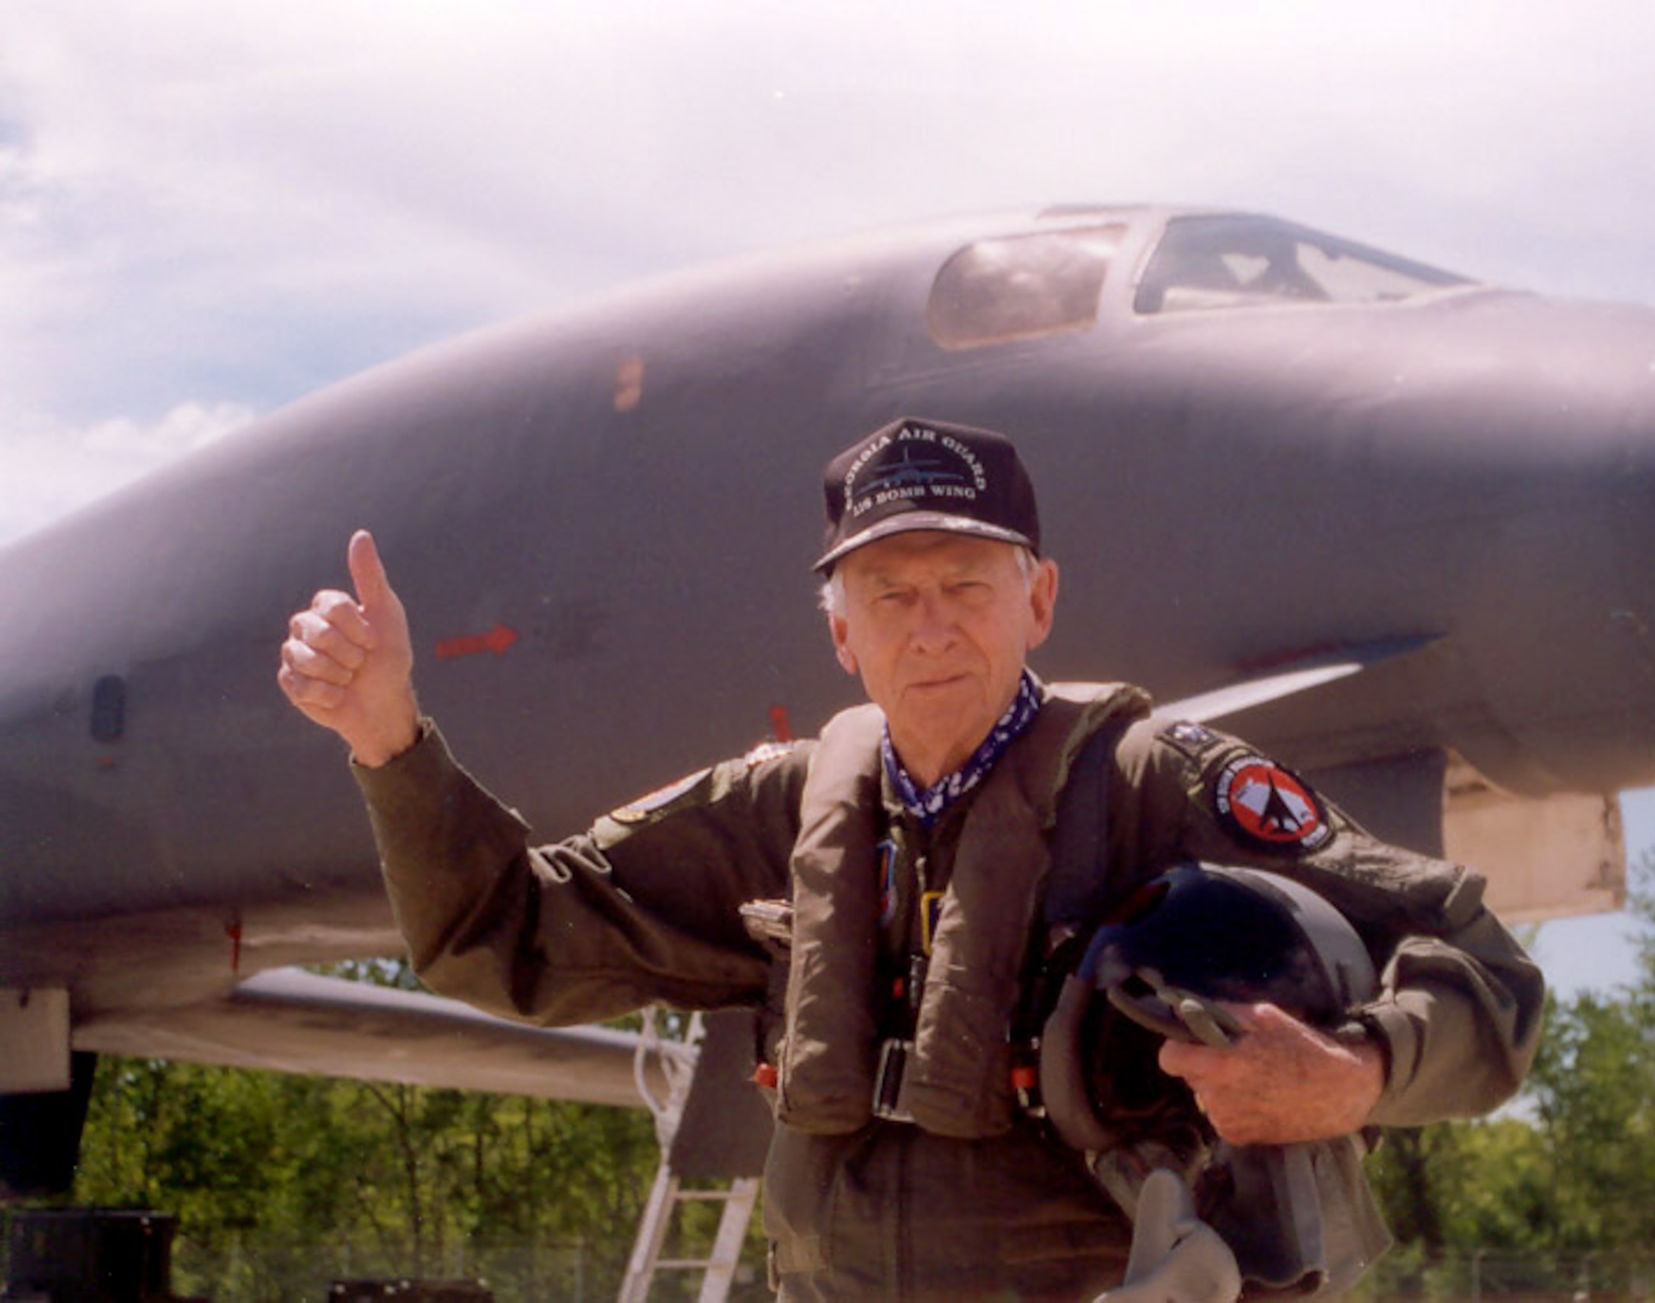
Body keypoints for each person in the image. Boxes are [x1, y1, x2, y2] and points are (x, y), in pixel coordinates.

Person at [277, 416, 1544, 1301]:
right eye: (889, 593)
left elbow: (1487, 974)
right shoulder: (779, 810)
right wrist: (388, 739)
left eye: (965, 583)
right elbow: (510, 937)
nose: (930, 625)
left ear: (1037, 598)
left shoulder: (1160, 786)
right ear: (840, 630)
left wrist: (1357, 1070)